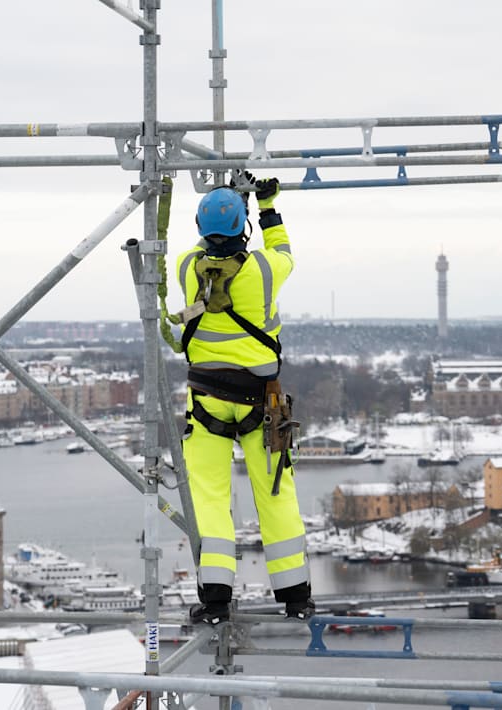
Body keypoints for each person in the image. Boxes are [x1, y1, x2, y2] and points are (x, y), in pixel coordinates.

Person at [175, 173, 313, 625]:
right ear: (243, 227)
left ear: (200, 227)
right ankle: (295, 597)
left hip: (206, 399)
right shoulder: (265, 272)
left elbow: (208, 247)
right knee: (275, 493)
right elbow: (282, 251)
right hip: (261, 401)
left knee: (210, 497)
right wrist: (265, 204)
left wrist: (232, 201)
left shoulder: (186, 267)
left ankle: (216, 599)